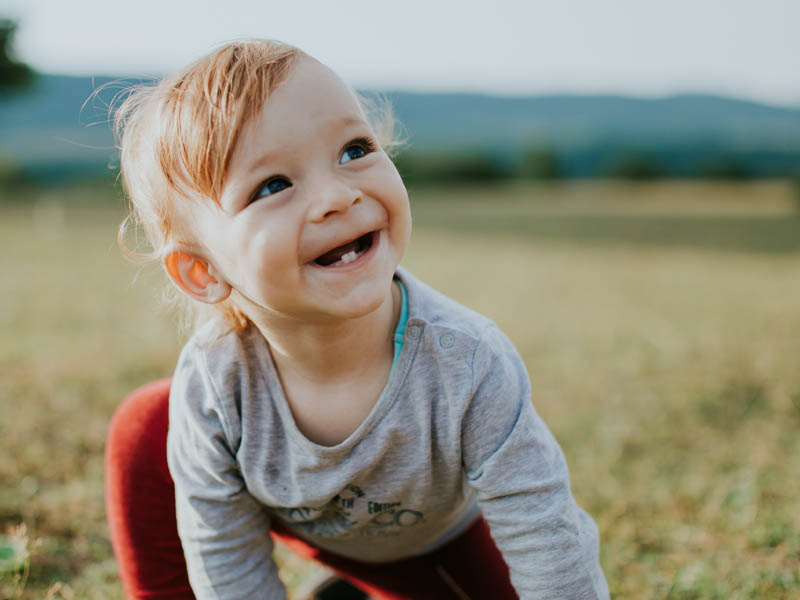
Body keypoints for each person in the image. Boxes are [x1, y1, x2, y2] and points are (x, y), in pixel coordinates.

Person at [104, 39, 609, 600]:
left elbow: (547, 535)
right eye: (273, 185)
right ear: (202, 271)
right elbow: (225, 560)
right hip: (308, 529)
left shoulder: (467, 362)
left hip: (439, 543)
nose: (337, 196)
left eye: (353, 150)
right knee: (148, 422)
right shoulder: (216, 381)